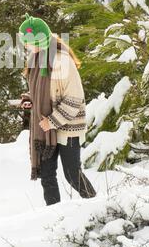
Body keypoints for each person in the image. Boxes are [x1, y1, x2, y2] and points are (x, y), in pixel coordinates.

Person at [18, 13, 96, 205]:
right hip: (45, 131)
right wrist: (29, 99)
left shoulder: (62, 61)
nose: (27, 46)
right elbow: (40, 92)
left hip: (67, 127)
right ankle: (54, 217)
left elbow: (75, 98)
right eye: (25, 42)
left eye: (29, 42)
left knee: (72, 174)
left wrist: (52, 121)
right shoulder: (34, 60)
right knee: (47, 176)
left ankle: (95, 205)